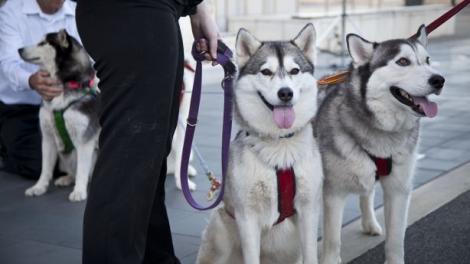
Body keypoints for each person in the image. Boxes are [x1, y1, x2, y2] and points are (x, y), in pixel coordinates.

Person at [76, 0, 219, 263]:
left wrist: (197, 7)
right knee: (131, 162)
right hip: (136, 13)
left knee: (147, 163)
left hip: (156, 12)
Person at [0, 0, 80, 179]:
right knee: (37, 165)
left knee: (83, 156)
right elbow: (8, 63)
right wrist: (31, 80)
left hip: (67, 104)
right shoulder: (11, 10)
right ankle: (6, 146)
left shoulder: (75, 11)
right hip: (21, 109)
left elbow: (87, 58)